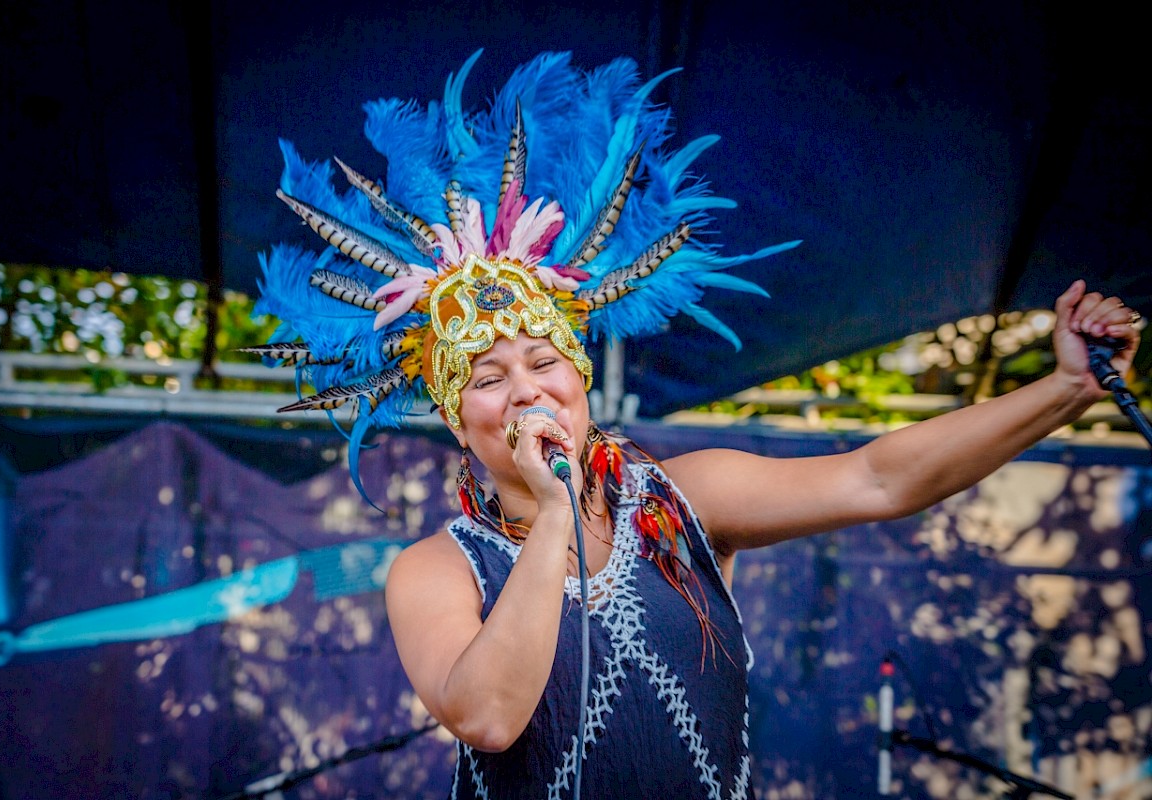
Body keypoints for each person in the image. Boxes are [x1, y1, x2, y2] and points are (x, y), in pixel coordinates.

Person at [252, 51, 1142, 799]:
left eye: (545, 362)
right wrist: (554, 514)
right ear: (455, 414)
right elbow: (488, 717)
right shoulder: (435, 570)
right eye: (487, 376)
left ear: (581, 377)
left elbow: (881, 477)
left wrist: (1064, 390)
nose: (524, 389)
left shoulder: (684, 500)